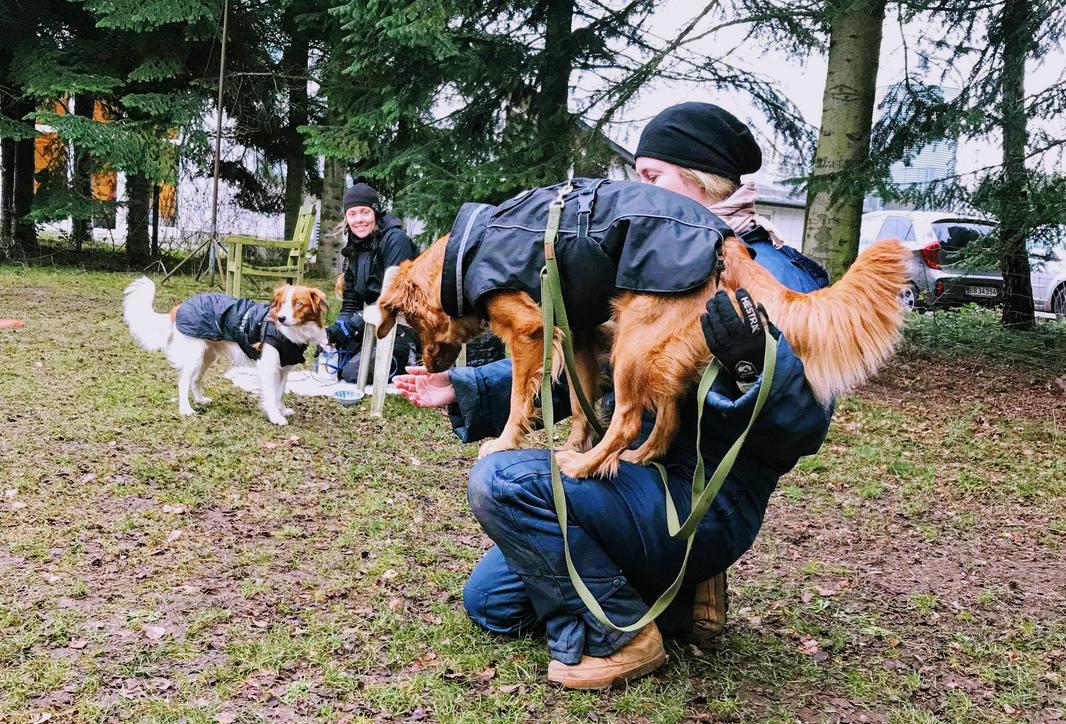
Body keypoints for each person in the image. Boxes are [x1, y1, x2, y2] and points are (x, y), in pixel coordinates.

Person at [394, 103, 833, 689]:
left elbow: (804, 425)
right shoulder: (642, 262)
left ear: (703, 183)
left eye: (651, 178)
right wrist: (466, 388)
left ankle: (624, 635)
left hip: (702, 498)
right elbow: (591, 355)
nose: (634, 193)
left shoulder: (776, 273)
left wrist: (753, 360)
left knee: (504, 483)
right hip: (628, 475)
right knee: (491, 603)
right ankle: (670, 591)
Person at [325, 183, 419, 381]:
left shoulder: (396, 240)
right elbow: (351, 302)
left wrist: (350, 328)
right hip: (376, 322)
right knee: (334, 365)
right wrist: (335, 334)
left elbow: (396, 295)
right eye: (352, 214)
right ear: (346, 218)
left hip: (407, 325)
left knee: (352, 373)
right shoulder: (354, 247)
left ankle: (414, 358)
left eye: (364, 212)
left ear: (375, 212)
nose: (358, 220)